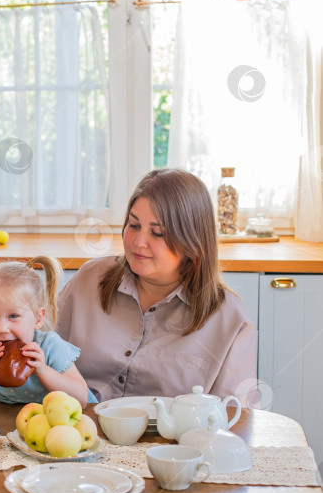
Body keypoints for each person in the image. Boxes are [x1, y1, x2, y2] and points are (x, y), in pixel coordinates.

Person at [56, 168, 256, 402]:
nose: (139, 242)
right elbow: (41, 354)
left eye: (157, 233)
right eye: (134, 225)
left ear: (192, 242)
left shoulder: (230, 320)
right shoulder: (90, 279)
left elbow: (237, 418)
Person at [0, 256, 94, 406]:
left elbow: (81, 398)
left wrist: (43, 370)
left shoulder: (49, 347)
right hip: (13, 429)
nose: (2, 328)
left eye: (13, 316)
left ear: (38, 318)